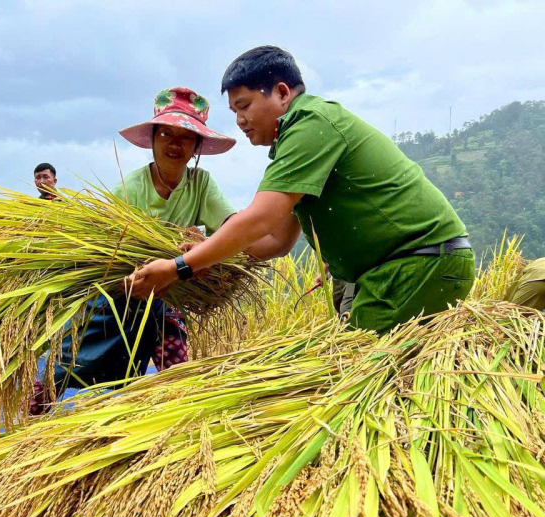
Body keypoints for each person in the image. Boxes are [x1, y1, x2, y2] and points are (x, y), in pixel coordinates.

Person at [130, 46, 476, 334]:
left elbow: (260, 219)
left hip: (418, 264)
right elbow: (275, 242)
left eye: (245, 105)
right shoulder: (292, 145)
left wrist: (180, 266)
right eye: (234, 111)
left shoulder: (310, 125)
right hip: (390, 271)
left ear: (282, 93)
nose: (239, 120)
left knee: (358, 388)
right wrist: (210, 251)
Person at [30, 87, 242, 414]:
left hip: (169, 295)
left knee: (174, 369)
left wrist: (202, 246)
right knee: (68, 362)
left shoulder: (201, 184)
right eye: (166, 134)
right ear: (153, 138)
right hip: (120, 294)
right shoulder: (131, 187)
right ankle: (27, 420)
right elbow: (104, 244)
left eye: (186, 137)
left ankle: (166, 426)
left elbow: (231, 226)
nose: (174, 144)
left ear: (197, 146)